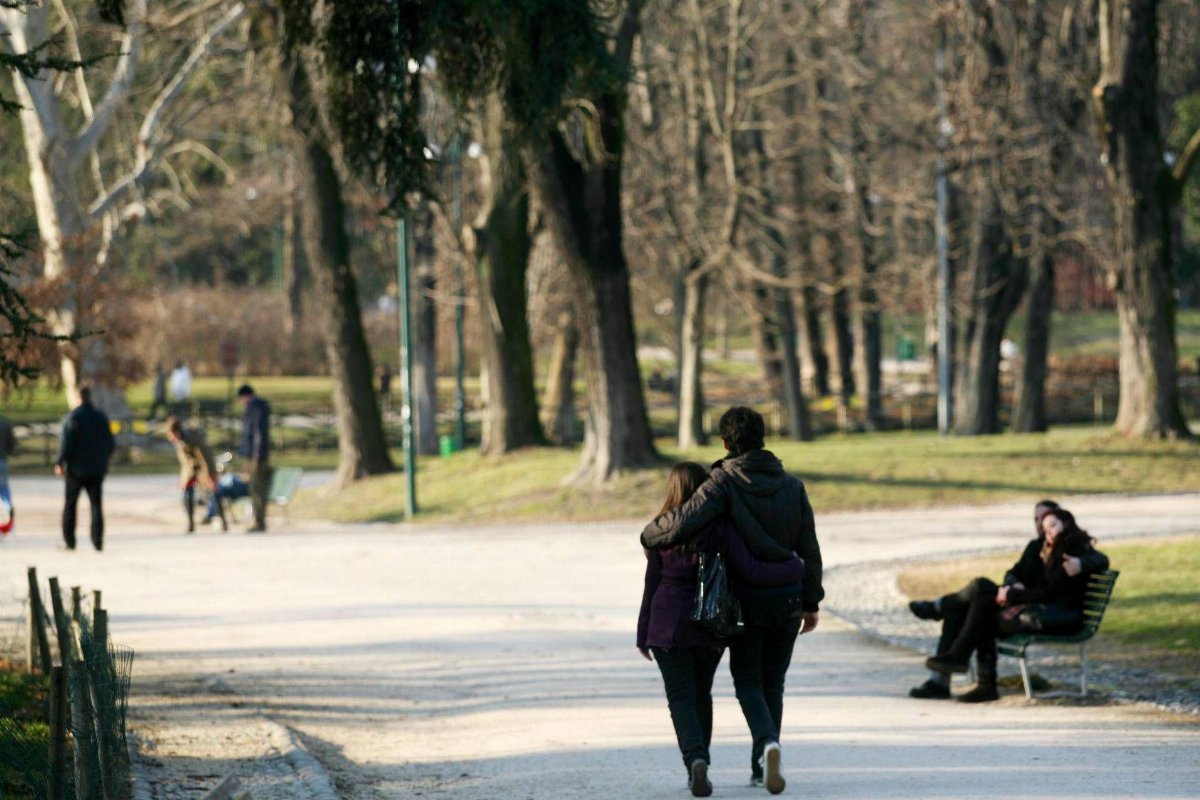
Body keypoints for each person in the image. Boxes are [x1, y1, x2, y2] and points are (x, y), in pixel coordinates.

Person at [642, 406, 823, 794]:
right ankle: (763, 759)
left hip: (746, 601)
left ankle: (763, 746)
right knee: (773, 681)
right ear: (762, 436)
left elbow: (684, 520)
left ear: (725, 442)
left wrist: (650, 534)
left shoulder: (722, 482)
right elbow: (810, 544)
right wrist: (812, 599)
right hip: (788, 600)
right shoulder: (793, 486)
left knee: (748, 682)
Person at [907, 506, 1110, 703]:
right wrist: (1012, 587)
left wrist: (1012, 595)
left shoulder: (1070, 552)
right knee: (973, 604)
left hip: (1051, 615)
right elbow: (1015, 573)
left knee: (980, 598)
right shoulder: (1040, 547)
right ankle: (961, 673)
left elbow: (1053, 591)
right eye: (1039, 522)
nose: (1044, 529)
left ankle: (958, 654)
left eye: (1051, 525)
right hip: (1035, 608)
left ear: (1066, 522)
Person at [55, 387, 115, 551]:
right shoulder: (101, 418)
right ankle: (97, 540)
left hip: (76, 470)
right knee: (96, 505)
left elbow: (66, 443)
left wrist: (60, 462)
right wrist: (103, 461)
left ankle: (69, 540)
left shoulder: (72, 418)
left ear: (77, 398)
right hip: (96, 469)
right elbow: (110, 443)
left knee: (70, 505)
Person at [164, 417, 227, 533]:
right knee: (187, 493)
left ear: (176, 432)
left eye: (170, 434)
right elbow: (186, 459)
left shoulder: (193, 438)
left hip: (205, 466)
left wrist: (210, 476)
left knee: (214, 492)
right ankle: (191, 524)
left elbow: (205, 457)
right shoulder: (179, 440)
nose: (169, 437)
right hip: (191, 468)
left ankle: (223, 521)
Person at [237, 384, 271, 532]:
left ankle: (260, 522)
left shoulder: (257, 408)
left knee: (257, 489)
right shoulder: (252, 408)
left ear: (245, 396)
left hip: (257, 457)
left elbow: (259, 434)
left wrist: (257, 457)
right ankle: (258, 520)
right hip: (251, 456)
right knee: (253, 489)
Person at [0, 413, 15, 535]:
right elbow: (12, 445)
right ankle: (8, 507)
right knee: (4, 489)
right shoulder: (5, 423)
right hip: (2, 461)